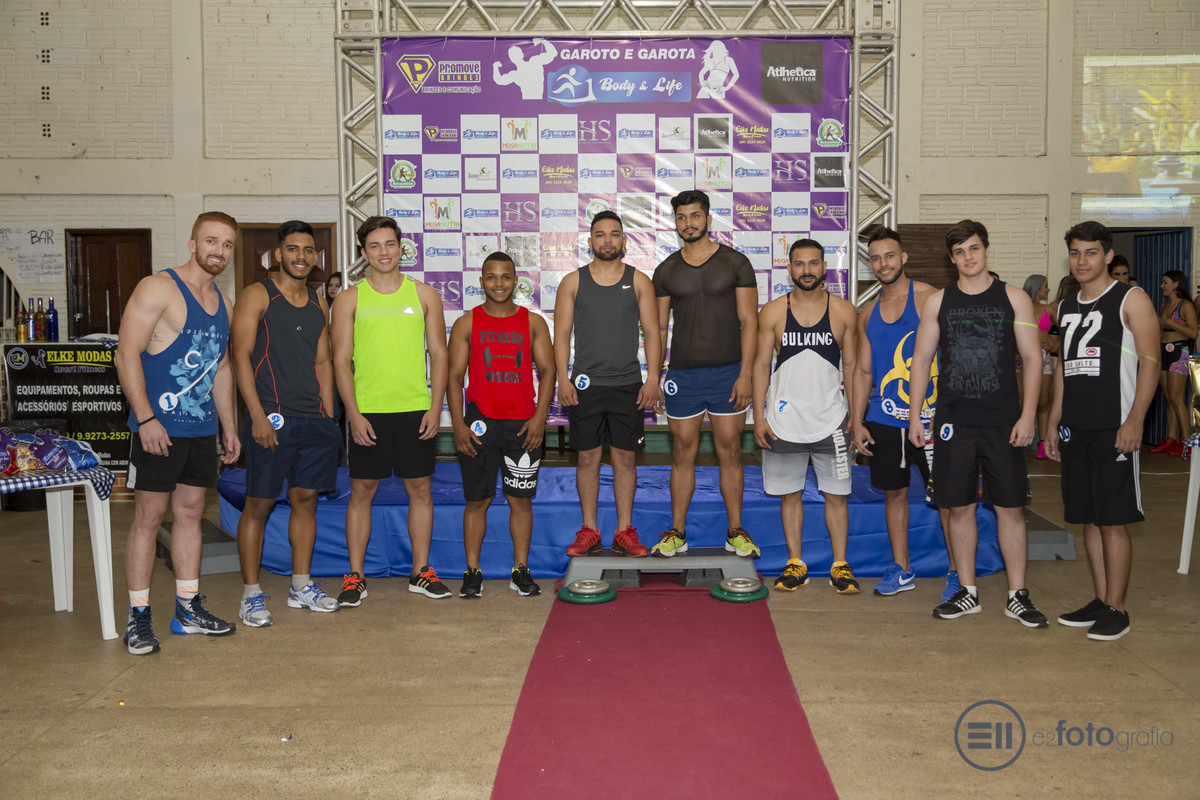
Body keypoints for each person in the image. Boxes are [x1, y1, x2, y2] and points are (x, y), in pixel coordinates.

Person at [908, 219, 1048, 628]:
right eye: (959, 252)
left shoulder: (1014, 298)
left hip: (1004, 420)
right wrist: (915, 415)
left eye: (973, 248)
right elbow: (921, 360)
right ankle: (967, 591)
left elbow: (1033, 359)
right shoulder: (938, 302)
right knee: (959, 508)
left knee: (1011, 508)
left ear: (986, 249)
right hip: (954, 421)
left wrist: (1028, 415)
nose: (967, 257)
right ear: (951, 259)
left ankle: (1017, 595)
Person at [114, 212, 241, 655]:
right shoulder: (159, 288)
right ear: (192, 244)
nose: (219, 251)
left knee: (190, 514)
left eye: (227, 245)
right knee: (149, 518)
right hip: (158, 428)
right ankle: (138, 617)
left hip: (200, 430)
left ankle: (187, 610)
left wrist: (228, 426)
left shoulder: (224, 305)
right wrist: (146, 418)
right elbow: (126, 353)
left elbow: (220, 368)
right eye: (211, 241)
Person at [1045, 221, 1160, 641]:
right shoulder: (1065, 306)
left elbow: (1151, 362)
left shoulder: (1131, 299)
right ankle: (1100, 598)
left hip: (1115, 426)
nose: (1082, 260)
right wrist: (1053, 421)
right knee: (1088, 519)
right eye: (1075, 252)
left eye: (1091, 252)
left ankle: (1118, 608)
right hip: (1076, 427)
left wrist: (1135, 420)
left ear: (1108, 256)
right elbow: (1064, 366)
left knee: (1113, 519)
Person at [331, 216, 449, 604]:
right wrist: (353, 414)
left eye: (390, 244)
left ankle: (420, 572)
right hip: (369, 413)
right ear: (363, 253)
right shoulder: (349, 299)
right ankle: (355, 576)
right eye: (375, 246)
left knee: (421, 490)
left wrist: (435, 408)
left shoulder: (425, 295)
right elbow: (340, 360)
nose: (384, 252)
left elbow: (439, 354)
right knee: (361, 492)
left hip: (415, 410)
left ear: (401, 248)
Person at [229, 220, 341, 627]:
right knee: (259, 503)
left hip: (313, 420)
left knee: (305, 500)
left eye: (308, 250)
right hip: (270, 419)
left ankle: (301, 586)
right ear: (278, 254)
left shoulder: (318, 302)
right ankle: (251, 595)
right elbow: (240, 355)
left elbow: (323, 361)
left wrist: (328, 415)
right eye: (293, 249)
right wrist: (257, 416)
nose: (301, 257)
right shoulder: (257, 295)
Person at [651, 190, 760, 559]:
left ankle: (735, 531)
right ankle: (677, 532)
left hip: (728, 373)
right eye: (682, 217)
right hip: (683, 376)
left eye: (695, 216)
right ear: (676, 222)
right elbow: (658, 329)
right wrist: (656, 377)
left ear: (708, 219)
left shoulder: (736, 263)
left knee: (730, 450)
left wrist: (746, 374)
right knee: (683, 452)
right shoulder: (666, 270)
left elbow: (750, 322)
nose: (689, 223)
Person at [850, 227, 957, 599]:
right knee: (894, 494)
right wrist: (857, 420)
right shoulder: (867, 315)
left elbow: (955, 355)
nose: (883, 263)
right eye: (876, 258)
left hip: (933, 420)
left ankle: (958, 572)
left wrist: (952, 408)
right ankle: (902, 569)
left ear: (904, 257)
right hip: (885, 418)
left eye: (890, 255)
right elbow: (863, 371)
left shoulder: (931, 298)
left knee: (947, 497)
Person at [753, 239, 860, 593]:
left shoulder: (844, 311)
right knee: (789, 494)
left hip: (833, 421)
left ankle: (840, 564)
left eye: (813, 263)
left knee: (837, 496)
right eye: (799, 264)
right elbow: (760, 366)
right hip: (784, 423)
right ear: (789, 269)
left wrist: (856, 416)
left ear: (824, 267)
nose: (807, 270)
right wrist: (759, 417)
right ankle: (795, 562)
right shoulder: (772, 312)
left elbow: (853, 368)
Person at [448, 252, 555, 598]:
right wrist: (458, 425)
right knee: (476, 501)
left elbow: (549, 371)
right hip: (479, 425)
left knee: (519, 501)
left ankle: (520, 570)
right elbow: (454, 377)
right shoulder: (466, 323)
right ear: (481, 282)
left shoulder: (533, 322)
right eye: (491, 277)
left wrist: (539, 418)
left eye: (505, 276)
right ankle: (472, 571)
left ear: (515, 281)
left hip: (523, 425)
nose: (498, 283)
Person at [554, 210, 661, 558]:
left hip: (628, 385)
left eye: (614, 234)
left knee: (625, 460)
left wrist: (653, 379)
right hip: (585, 387)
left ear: (624, 241)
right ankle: (590, 530)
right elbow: (561, 335)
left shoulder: (639, 281)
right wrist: (563, 378)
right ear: (590, 241)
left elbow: (653, 333)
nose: (608, 241)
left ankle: (623, 531)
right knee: (587, 460)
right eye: (600, 235)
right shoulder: (572, 282)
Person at [1149, 269, 1197, 457]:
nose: (1162, 286)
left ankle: (1187, 441)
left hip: (1179, 353)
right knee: (1169, 398)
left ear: (1176, 284)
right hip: (1163, 353)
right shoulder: (1164, 305)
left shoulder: (1186, 305)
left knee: (1177, 399)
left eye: (1165, 282)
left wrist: (1169, 322)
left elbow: (1193, 333)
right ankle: (1171, 439)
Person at [1019, 274, 1055, 459]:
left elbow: (1069, 330)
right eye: (1045, 286)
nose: (1048, 289)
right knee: (1020, 403)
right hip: (1020, 359)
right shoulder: (1019, 307)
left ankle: (1042, 445)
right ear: (1036, 287)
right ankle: (1018, 444)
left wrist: (1054, 344)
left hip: (1043, 359)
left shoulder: (1049, 309)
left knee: (1043, 404)